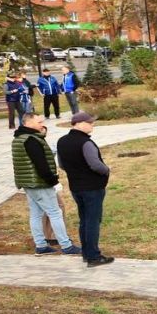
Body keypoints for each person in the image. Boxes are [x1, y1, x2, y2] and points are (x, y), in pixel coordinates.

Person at [11, 112, 82, 256]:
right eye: (39, 122)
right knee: (55, 213)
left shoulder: (19, 138)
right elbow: (41, 164)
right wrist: (52, 180)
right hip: (39, 183)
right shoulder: (31, 140)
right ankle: (66, 246)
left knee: (36, 214)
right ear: (28, 123)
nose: (42, 124)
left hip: (28, 183)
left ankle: (41, 245)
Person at [56, 111, 113, 267]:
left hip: (76, 187)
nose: (92, 125)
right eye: (90, 122)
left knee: (84, 220)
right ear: (79, 124)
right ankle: (93, 257)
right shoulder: (85, 143)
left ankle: (87, 254)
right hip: (92, 188)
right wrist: (107, 169)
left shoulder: (62, 141)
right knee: (93, 221)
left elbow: (61, 164)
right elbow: (95, 164)